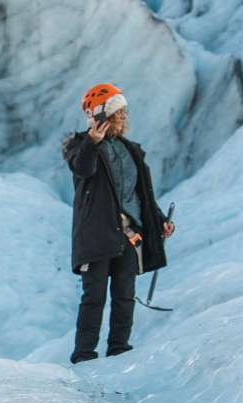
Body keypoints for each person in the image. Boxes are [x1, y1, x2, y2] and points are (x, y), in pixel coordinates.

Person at [63, 83, 175, 364]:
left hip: (129, 234)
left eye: (124, 111)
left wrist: (159, 220)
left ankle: (119, 349)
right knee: (94, 297)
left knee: (125, 294)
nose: (124, 116)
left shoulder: (131, 150)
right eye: (118, 112)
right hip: (97, 234)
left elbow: (140, 194)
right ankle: (84, 355)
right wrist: (92, 142)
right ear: (104, 115)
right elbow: (82, 169)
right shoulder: (80, 146)